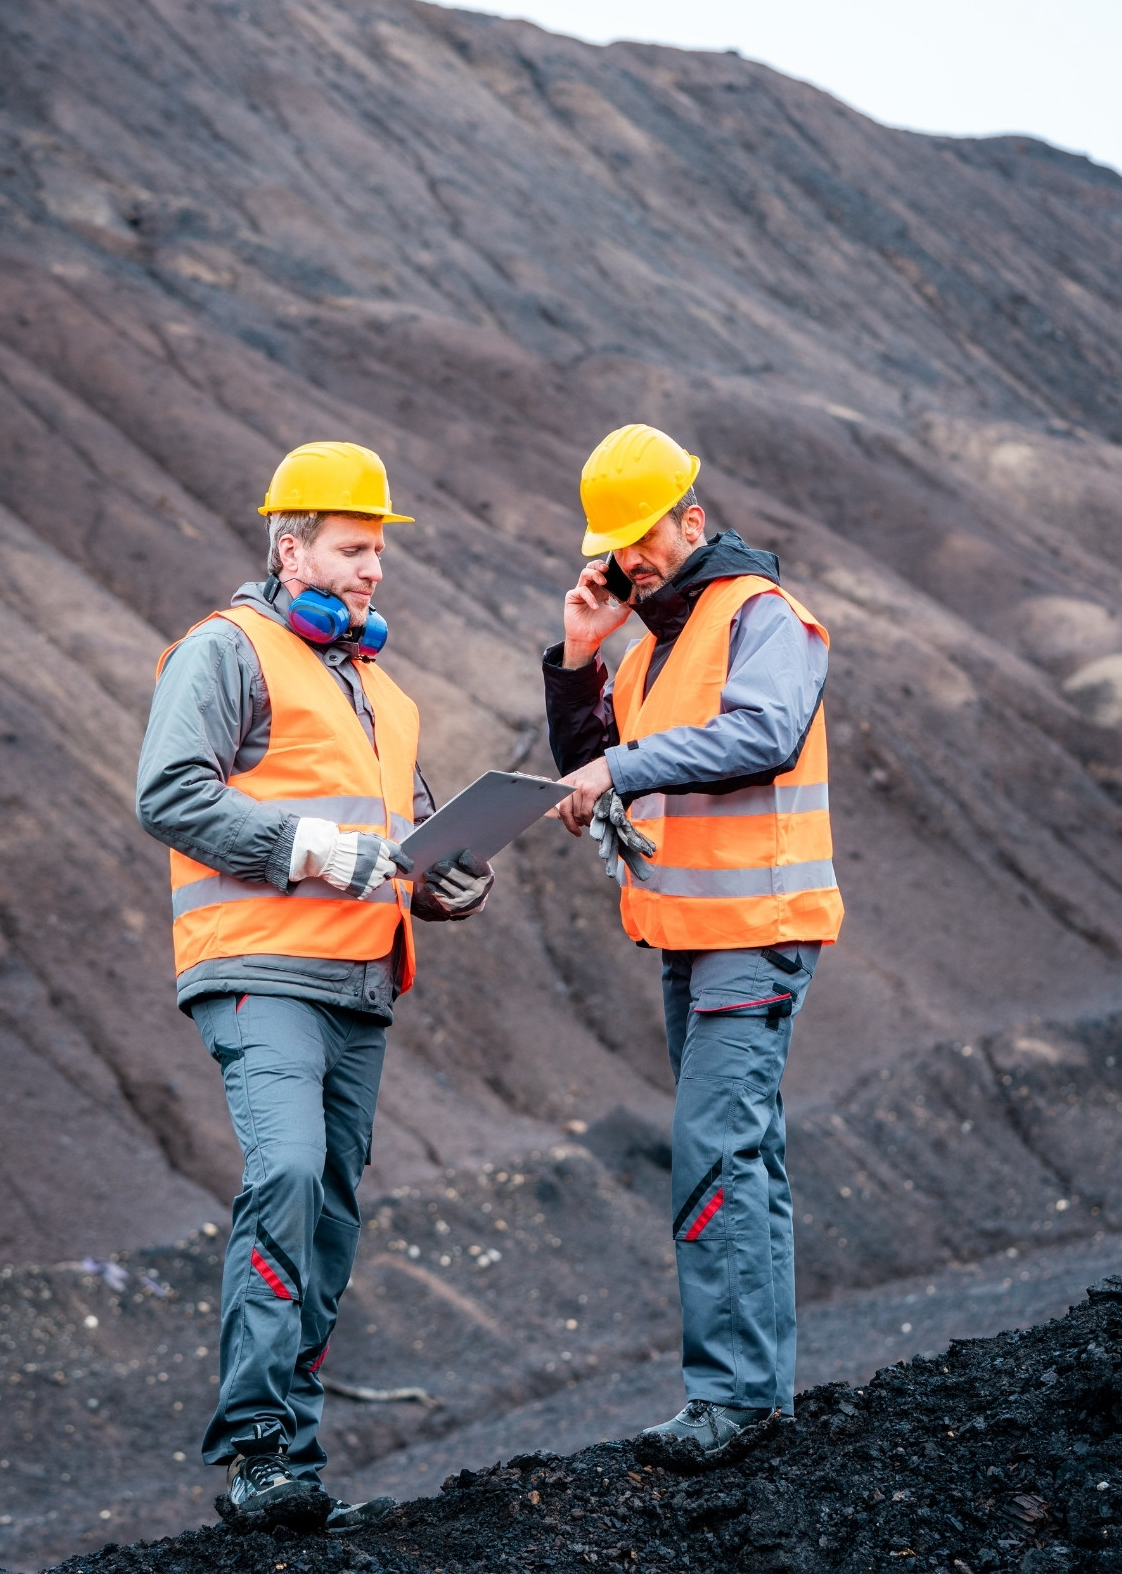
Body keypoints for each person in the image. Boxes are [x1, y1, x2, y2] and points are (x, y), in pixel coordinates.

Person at [136, 440, 494, 1532]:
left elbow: (396, 846)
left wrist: (446, 880)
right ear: (290, 550)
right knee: (287, 1173)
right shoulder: (224, 651)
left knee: (330, 1215)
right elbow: (169, 794)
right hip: (257, 969)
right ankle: (252, 1452)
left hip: (359, 983)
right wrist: (308, 849)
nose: (371, 569)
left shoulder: (384, 694)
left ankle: (291, 1456)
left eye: (377, 551)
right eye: (351, 549)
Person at [540, 423, 841, 1457]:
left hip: (755, 927)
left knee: (715, 1148)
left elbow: (762, 734)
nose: (631, 560)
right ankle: (759, 1393)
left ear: (692, 520)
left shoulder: (763, 616)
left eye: (644, 538)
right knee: (742, 1152)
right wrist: (579, 662)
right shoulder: (651, 649)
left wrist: (617, 774)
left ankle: (731, 1399)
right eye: (616, 546)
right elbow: (596, 759)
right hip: (689, 931)